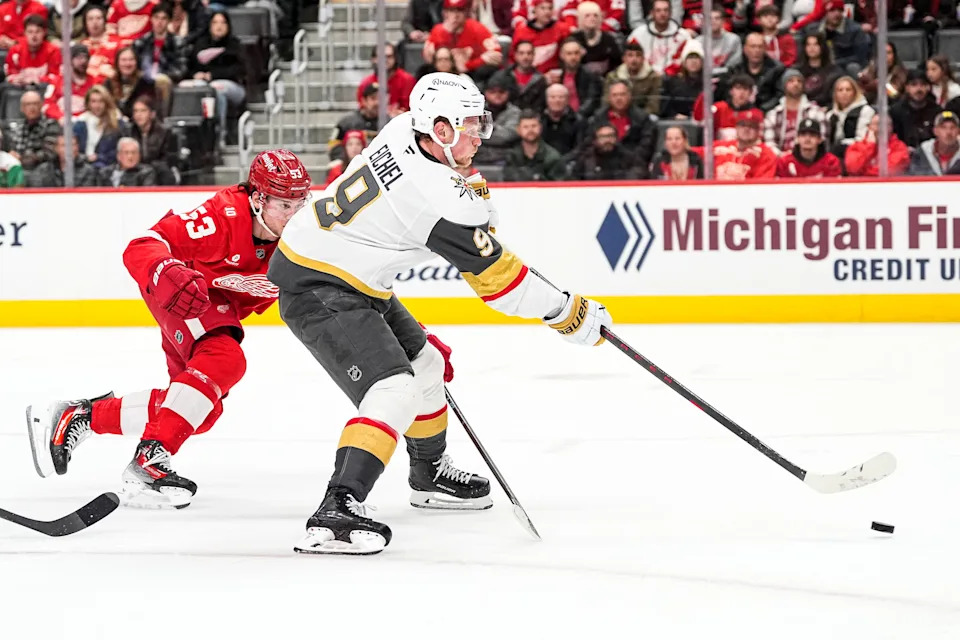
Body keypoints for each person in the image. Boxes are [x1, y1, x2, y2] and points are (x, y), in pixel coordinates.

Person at [267, 72, 612, 555]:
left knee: (427, 364)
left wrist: (473, 194)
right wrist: (565, 312)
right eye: (471, 124)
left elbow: (471, 216)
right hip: (318, 279)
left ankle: (428, 473)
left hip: (351, 270)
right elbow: (502, 284)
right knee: (394, 387)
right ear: (442, 129)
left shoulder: (405, 127)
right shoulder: (435, 196)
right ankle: (338, 508)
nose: (481, 134)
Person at [26, 150, 312, 510]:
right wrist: (164, 272)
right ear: (257, 199)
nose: (295, 214)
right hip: (184, 294)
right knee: (226, 358)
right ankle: (149, 461)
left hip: (212, 305)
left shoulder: (305, 236)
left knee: (198, 413)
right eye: (284, 205)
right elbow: (142, 245)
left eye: (300, 202)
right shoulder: (220, 218)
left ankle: (79, 416)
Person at [844, 113, 910, 176]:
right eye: (877, 124)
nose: (882, 129)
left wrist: (864, 171)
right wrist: (870, 145)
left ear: (892, 128)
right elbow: (853, 169)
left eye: (886, 125)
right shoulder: (856, 147)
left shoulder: (899, 148)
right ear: (869, 127)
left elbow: (888, 172)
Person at [775, 117, 842, 178]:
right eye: (803, 135)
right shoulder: (784, 162)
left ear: (820, 139)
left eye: (812, 135)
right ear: (797, 138)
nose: (807, 139)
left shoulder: (831, 162)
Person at [908, 110, 960, 176]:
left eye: (952, 127)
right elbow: (915, 177)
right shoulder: (923, 152)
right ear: (935, 131)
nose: (948, 132)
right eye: (943, 127)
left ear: (958, 131)